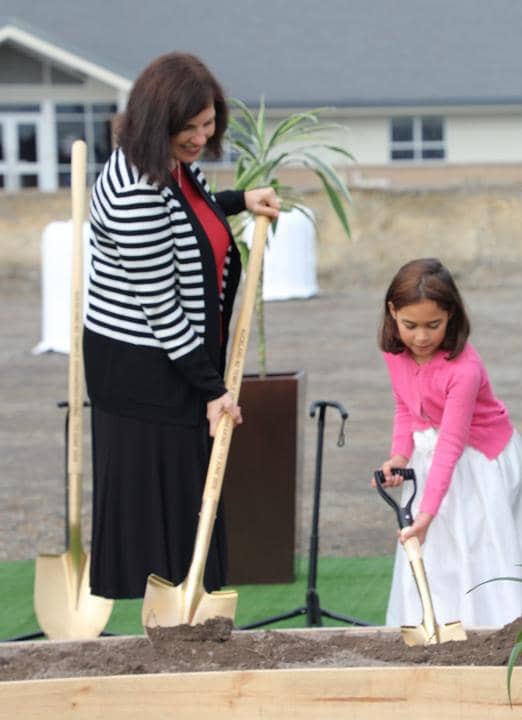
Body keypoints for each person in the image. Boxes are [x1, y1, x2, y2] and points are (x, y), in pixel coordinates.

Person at [83, 52, 280, 599]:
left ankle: (192, 614)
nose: (198, 138)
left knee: (192, 500)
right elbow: (162, 309)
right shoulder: (133, 190)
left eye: (207, 124)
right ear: (156, 121)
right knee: (167, 515)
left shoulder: (166, 161)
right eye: (187, 128)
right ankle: (171, 631)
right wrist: (214, 391)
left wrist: (239, 200)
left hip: (175, 361)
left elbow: (190, 217)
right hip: (143, 372)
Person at [376, 258, 522, 627]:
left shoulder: (464, 369)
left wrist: (425, 515)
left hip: (481, 460)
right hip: (432, 456)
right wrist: (399, 454)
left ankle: (496, 631)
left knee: (482, 548)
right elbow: (404, 406)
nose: (421, 337)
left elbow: (452, 443)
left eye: (433, 325)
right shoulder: (395, 352)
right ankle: (438, 627)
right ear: (392, 312)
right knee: (440, 554)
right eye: (410, 325)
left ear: (451, 315)